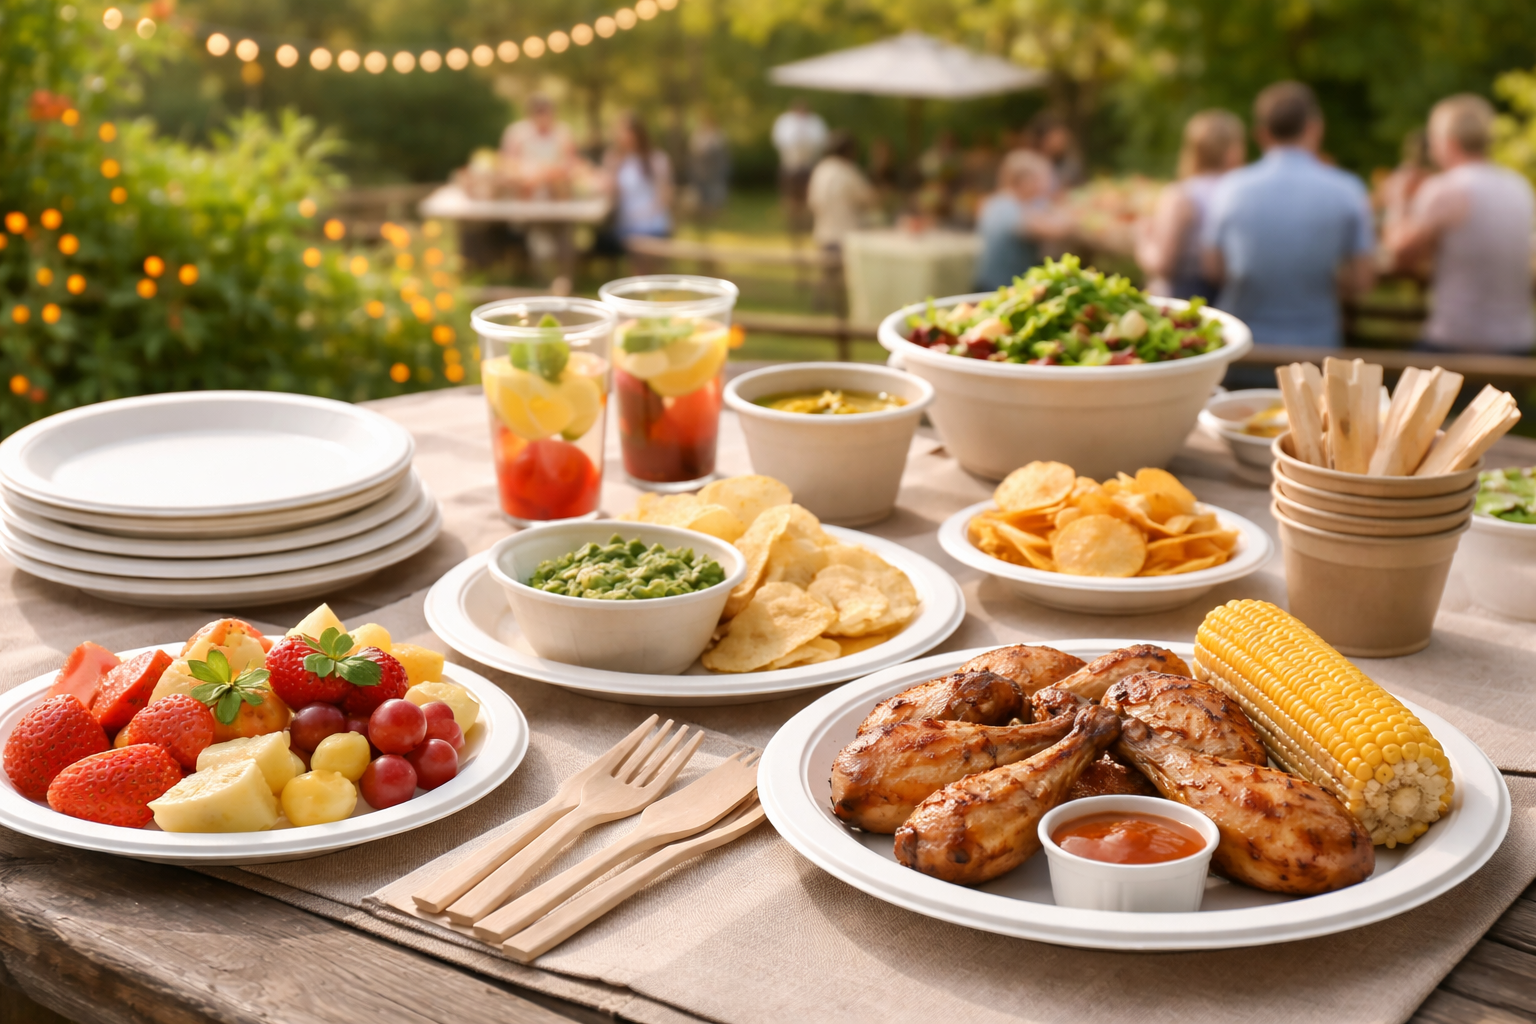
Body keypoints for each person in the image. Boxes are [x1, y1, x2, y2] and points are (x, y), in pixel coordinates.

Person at [1201, 81, 1375, 347]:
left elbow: (1213, 267)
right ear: (1315, 128)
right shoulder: (1347, 190)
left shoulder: (1229, 188)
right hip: (1315, 349)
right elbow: (1362, 280)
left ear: (1261, 133)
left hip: (1241, 346)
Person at [1382, 95, 1535, 353]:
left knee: (1396, 388)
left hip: (1458, 342)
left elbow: (1399, 257)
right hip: (1518, 343)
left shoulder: (1447, 189)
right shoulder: (1520, 187)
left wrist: (1397, 202)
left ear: (1447, 142)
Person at [1136, 109, 1246, 299]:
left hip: (1189, 301)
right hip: (1236, 300)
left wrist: (1141, 241)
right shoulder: (1243, 192)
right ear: (1234, 150)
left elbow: (1163, 265)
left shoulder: (1182, 195)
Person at [974, 150, 1071, 291]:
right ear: (1025, 181)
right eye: (1039, 179)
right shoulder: (1007, 208)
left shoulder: (999, 201)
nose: (1043, 185)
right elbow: (1057, 231)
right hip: (999, 290)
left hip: (992, 285)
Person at [603, 113, 674, 255]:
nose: (621, 137)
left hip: (651, 226)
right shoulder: (618, 161)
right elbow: (611, 193)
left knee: (614, 243)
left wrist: (640, 215)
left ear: (637, 134)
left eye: (624, 132)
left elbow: (666, 197)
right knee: (601, 241)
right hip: (626, 226)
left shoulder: (656, 159)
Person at [499, 95, 578, 198]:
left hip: (554, 181)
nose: (543, 116)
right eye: (539, 111)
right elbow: (507, 161)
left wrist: (544, 174)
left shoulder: (563, 132)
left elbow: (570, 162)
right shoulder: (516, 132)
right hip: (523, 179)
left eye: (546, 111)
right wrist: (527, 173)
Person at [771, 99, 828, 238]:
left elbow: (821, 142)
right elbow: (780, 141)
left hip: (809, 165)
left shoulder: (815, 122)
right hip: (790, 165)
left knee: (809, 197)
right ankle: (792, 225)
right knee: (790, 198)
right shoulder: (785, 122)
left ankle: (806, 225)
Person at [688, 113, 730, 228]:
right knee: (701, 194)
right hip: (701, 171)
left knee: (715, 193)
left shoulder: (718, 136)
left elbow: (720, 154)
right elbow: (695, 151)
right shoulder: (697, 136)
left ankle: (713, 215)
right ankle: (703, 216)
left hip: (714, 172)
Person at [1028, 112, 1085, 193]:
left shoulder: (1070, 161)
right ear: (1041, 140)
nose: (1063, 139)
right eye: (1056, 136)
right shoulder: (1028, 165)